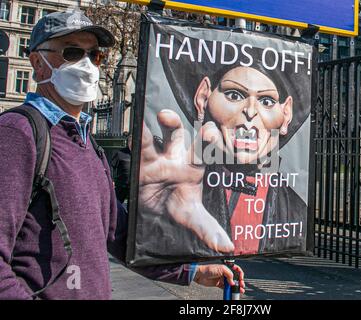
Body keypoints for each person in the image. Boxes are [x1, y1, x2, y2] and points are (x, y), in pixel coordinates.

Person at [0, 10, 244, 300]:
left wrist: (191, 271)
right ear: (38, 64)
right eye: (73, 52)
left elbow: (117, 234)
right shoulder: (17, 133)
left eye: (95, 55)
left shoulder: (85, 142)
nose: (88, 65)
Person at [138, 44, 310, 258]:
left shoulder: (297, 212)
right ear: (203, 98)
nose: (250, 112)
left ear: (286, 114)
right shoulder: (180, 186)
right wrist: (154, 215)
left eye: (266, 101)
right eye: (234, 95)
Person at [111, 133, 132, 205]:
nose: (132, 143)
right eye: (130, 141)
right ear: (128, 142)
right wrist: (112, 179)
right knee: (117, 205)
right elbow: (112, 166)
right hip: (121, 184)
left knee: (132, 206)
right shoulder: (120, 153)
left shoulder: (140, 153)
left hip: (133, 186)